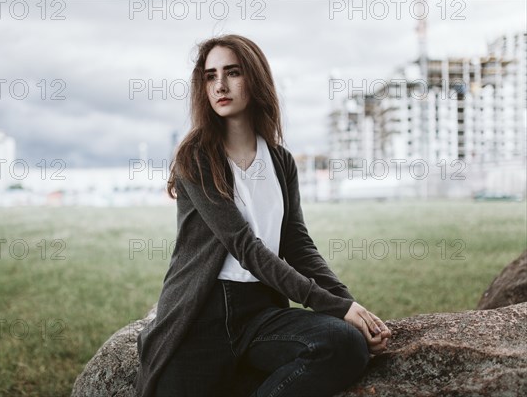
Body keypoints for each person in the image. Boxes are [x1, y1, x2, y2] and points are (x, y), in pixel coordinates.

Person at [135, 34, 392, 397]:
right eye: (210, 76)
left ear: (254, 79)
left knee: (346, 344)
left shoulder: (281, 161)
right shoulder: (196, 156)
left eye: (232, 72)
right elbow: (245, 247)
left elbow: (297, 244)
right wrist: (333, 305)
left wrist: (350, 308)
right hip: (201, 315)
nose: (220, 85)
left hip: (260, 313)